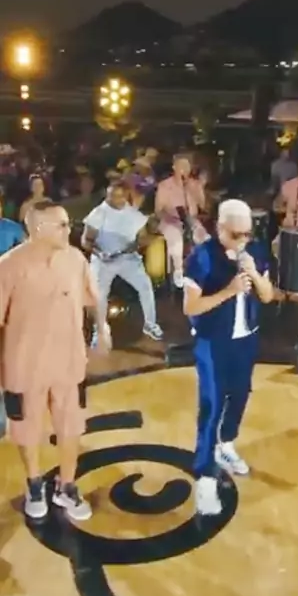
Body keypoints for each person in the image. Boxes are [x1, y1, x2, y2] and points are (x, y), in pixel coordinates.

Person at [0, 199, 111, 521]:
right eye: (61, 225)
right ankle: (35, 485)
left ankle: (67, 485)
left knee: (71, 426)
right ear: (38, 228)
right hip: (23, 366)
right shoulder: (9, 266)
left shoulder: (75, 259)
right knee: (26, 429)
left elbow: (92, 298)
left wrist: (102, 327)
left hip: (69, 362)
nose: (68, 229)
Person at [183, 199, 274, 516]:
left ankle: (226, 444)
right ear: (220, 228)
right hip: (212, 342)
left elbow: (268, 295)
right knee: (211, 405)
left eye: (247, 234)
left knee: (240, 394)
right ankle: (205, 479)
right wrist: (229, 290)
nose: (243, 241)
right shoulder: (202, 257)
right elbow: (190, 307)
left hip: (245, 338)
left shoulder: (255, 252)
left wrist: (254, 274)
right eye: (236, 234)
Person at [82, 183, 163, 343]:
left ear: (125, 197)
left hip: (127, 259)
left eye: (118, 196)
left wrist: (141, 242)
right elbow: (86, 240)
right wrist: (100, 253)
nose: (113, 199)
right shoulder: (99, 213)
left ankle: (150, 324)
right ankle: (100, 331)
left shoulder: (133, 215)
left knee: (145, 286)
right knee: (100, 295)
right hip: (102, 260)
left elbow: (141, 239)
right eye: (111, 195)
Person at [155, 153, 209, 289]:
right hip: (170, 220)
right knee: (176, 239)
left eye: (187, 166)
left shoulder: (194, 184)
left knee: (203, 238)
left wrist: (197, 189)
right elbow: (158, 210)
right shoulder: (164, 185)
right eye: (181, 166)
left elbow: (203, 206)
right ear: (174, 167)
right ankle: (178, 270)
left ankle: (205, 269)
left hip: (191, 219)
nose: (184, 169)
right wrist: (171, 216)